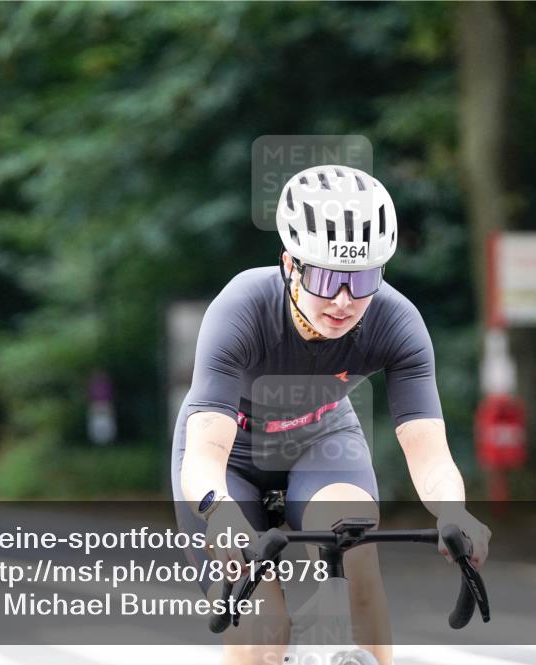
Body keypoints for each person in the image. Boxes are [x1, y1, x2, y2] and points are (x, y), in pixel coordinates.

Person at [171, 165, 491, 665]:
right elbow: (206, 450)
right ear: (289, 264)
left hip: (320, 441)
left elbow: (427, 449)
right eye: (325, 277)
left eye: (361, 278)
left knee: (355, 546)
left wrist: (453, 511)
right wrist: (219, 512)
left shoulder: (396, 320)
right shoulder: (242, 307)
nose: (344, 301)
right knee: (264, 628)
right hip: (229, 456)